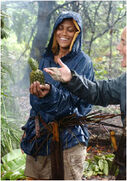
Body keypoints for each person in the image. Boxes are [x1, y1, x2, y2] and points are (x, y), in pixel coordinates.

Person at [44, 27, 126, 180]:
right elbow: (100, 91)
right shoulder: (125, 81)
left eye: (124, 43)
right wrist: (71, 78)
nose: (118, 47)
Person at [21, 11, 94, 180]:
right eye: (60, 28)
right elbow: (35, 101)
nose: (64, 33)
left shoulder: (83, 62)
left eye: (70, 29)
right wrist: (29, 127)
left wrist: (51, 94)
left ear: (77, 33)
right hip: (41, 136)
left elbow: (79, 104)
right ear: (55, 30)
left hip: (70, 138)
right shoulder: (46, 59)